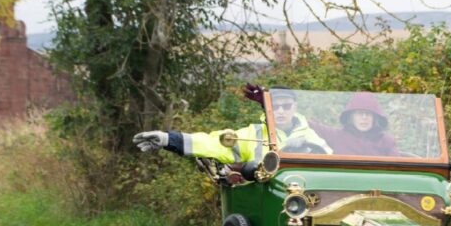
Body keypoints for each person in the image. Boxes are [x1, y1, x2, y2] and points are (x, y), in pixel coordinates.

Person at [133, 85, 331, 162]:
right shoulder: (252, 134)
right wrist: (168, 139)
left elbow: (333, 163)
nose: (280, 111)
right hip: (265, 201)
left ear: (294, 107)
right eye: (275, 107)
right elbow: (211, 143)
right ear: (267, 109)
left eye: (286, 106)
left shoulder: (311, 136)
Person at [310, 91, 400, 156]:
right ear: (351, 117)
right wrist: (295, 109)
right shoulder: (337, 136)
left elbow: (397, 171)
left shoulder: (387, 141)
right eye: (359, 113)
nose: (364, 117)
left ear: (375, 118)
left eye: (368, 114)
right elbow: (311, 125)